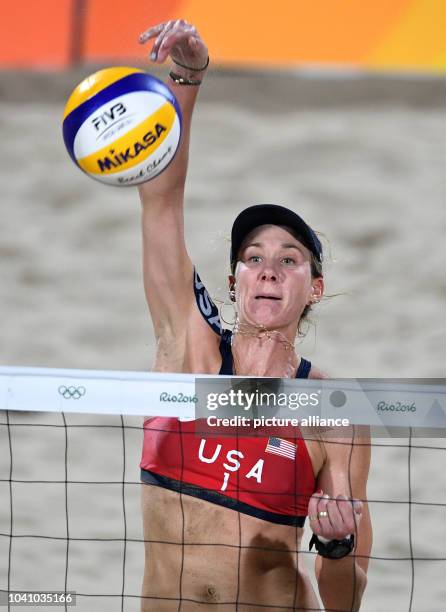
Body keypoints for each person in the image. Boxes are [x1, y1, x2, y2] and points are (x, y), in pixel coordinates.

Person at [137, 19, 372, 612]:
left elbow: (345, 601)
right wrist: (187, 79)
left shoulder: (334, 409)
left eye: (289, 260)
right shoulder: (184, 348)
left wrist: (339, 548)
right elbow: (161, 201)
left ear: (314, 288)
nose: (268, 269)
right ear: (234, 280)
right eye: (253, 257)